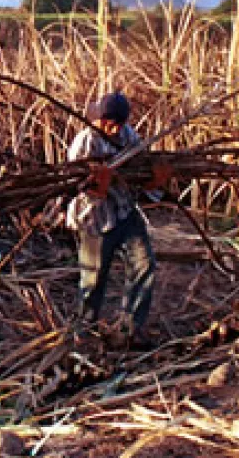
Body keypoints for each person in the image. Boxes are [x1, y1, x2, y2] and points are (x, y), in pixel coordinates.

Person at [66, 92, 157, 348]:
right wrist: (98, 187)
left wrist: (154, 179)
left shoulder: (129, 136)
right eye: (108, 122)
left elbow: (142, 171)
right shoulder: (85, 142)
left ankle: (129, 329)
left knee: (144, 263)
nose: (114, 127)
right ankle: (82, 334)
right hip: (94, 219)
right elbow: (76, 187)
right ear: (98, 119)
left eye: (119, 122)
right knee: (93, 280)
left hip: (125, 212)